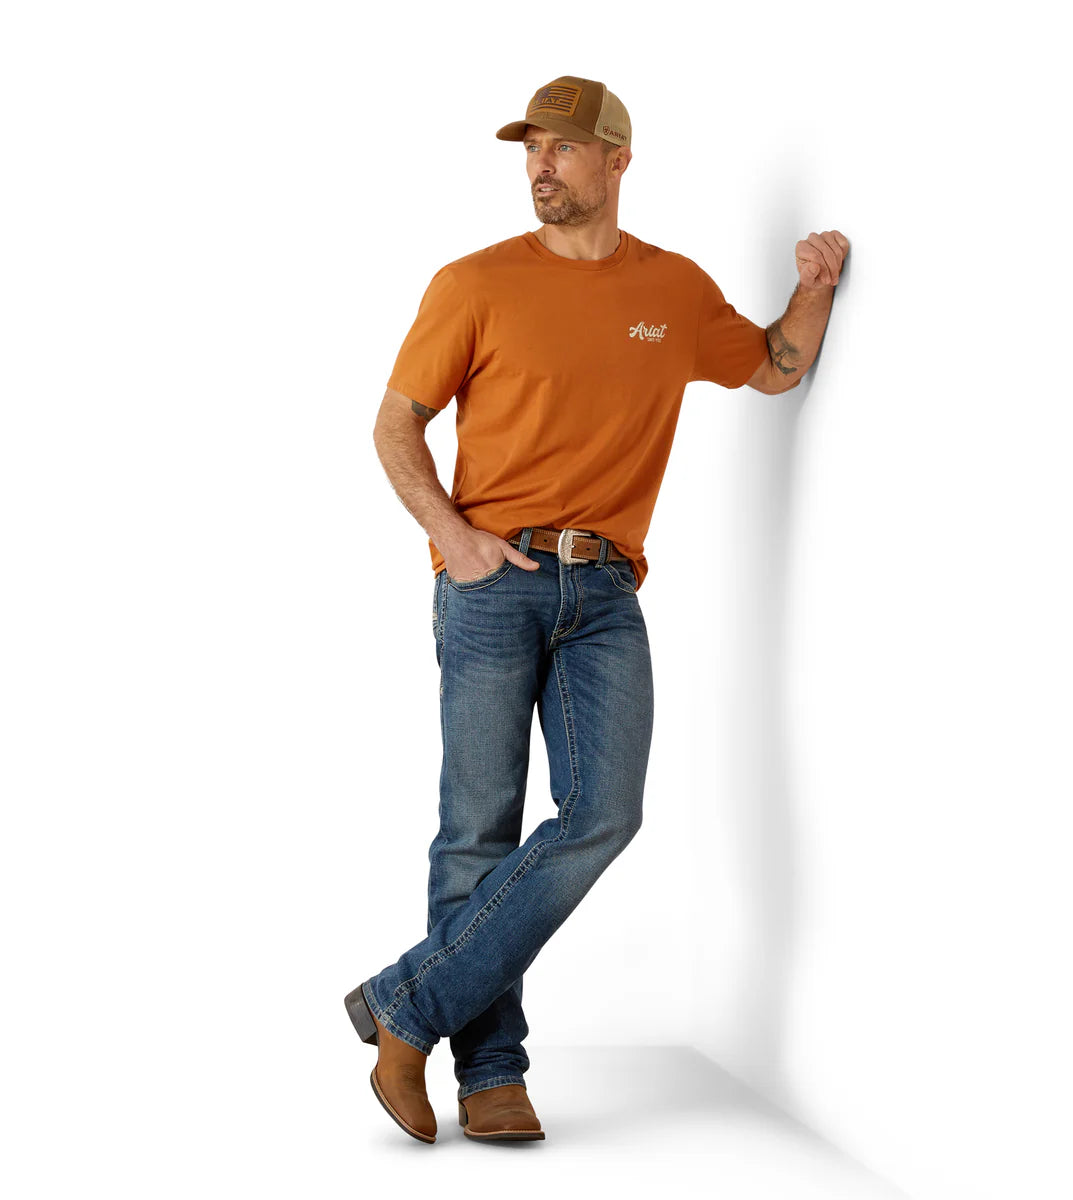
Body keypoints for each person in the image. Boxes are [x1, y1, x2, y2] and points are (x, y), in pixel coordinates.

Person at [344, 75, 849, 1144]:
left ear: (618, 161)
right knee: (475, 830)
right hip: (490, 583)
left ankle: (405, 1003)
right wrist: (453, 537)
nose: (542, 166)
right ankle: (490, 1076)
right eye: (532, 148)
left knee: (603, 814)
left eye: (565, 149)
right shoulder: (474, 283)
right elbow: (396, 425)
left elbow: (770, 367)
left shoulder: (670, 288)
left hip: (608, 590)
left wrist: (815, 285)